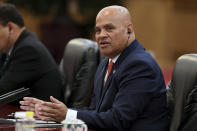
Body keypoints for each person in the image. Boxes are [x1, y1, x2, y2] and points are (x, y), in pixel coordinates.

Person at [20, 5, 169, 131]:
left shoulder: (139, 65)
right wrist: (53, 112)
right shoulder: (106, 62)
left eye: (109, 28)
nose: (101, 35)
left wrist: (67, 115)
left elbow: (119, 120)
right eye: (98, 30)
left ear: (129, 30)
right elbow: (96, 111)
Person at [0, 3, 64, 102]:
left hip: (40, 116)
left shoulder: (28, 50)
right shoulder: (9, 50)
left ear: (10, 28)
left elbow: (3, 91)